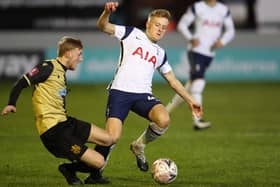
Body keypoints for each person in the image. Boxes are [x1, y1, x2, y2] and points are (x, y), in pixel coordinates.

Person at [85, 1, 203, 183]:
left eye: (164, 27)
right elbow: (103, 26)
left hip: (142, 95)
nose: (160, 29)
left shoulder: (160, 53)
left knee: (163, 119)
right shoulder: (131, 33)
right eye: (157, 25)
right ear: (148, 23)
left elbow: (172, 80)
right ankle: (95, 173)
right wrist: (106, 12)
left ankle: (139, 145)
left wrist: (190, 100)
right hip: (120, 92)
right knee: (112, 137)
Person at [1, 36, 113, 185]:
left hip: (65, 122)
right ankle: (68, 169)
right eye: (79, 54)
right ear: (68, 53)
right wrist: (11, 103)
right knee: (99, 162)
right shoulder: (48, 67)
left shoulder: (61, 71)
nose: (81, 59)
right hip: (53, 131)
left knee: (109, 139)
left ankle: (94, 177)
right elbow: (22, 82)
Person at [166, 0, 235, 130]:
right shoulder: (197, 7)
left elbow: (230, 30)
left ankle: (165, 112)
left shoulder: (223, 10)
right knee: (198, 82)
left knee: (188, 88)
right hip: (196, 51)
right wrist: (191, 38)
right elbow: (182, 25)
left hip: (210, 53)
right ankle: (198, 120)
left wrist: (222, 41)